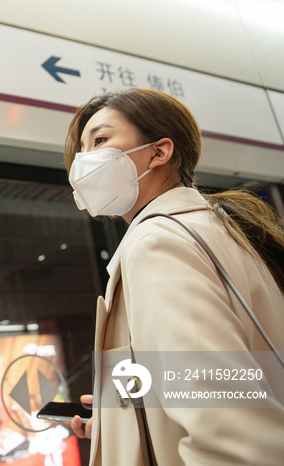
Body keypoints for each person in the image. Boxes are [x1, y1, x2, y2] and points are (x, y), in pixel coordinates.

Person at [63, 88, 284, 465]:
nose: (84, 160)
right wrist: (117, 418)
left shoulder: (156, 242)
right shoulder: (222, 230)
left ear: (159, 152)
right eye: (81, 149)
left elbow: (226, 421)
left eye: (100, 139)